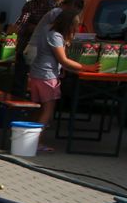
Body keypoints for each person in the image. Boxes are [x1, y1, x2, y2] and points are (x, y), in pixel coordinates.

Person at [28, 9, 99, 150]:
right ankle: (34, 143)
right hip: (47, 76)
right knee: (47, 110)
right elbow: (63, 60)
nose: (76, 29)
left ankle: (29, 139)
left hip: (36, 73)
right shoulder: (55, 36)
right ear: (69, 25)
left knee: (38, 109)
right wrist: (87, 67)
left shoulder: (46, 29)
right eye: (75, 26)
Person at [10, 0, 60, 96]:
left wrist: (36, 26)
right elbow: (23, 25)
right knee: (20, 76)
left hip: (46, 48)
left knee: (42, 79)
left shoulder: (55, 5)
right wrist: (39, 28)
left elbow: (57, 26)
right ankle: (17, 102)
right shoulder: (30, 5)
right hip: (27, 45)